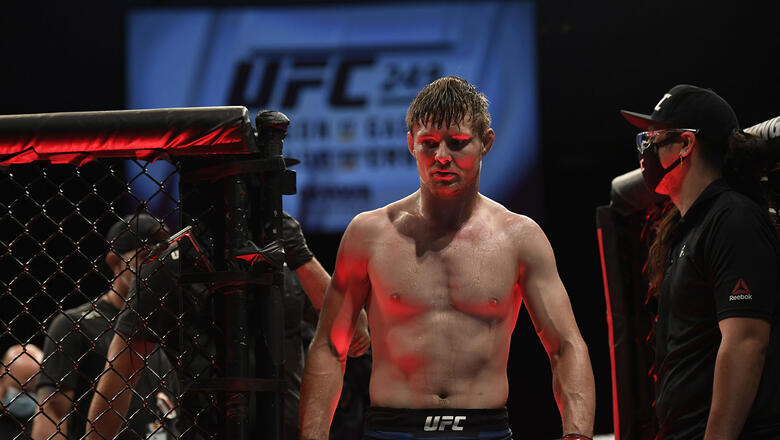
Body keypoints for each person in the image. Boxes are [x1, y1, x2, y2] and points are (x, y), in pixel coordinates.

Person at [300, 76, 595, 440]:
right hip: (393, 429)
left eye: (456, 143)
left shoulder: (520, 237)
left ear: (486, 143)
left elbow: (566, 347)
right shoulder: (369, 233)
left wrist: (577, 436)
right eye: (428, 144)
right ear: (410, 144)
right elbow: (330, 346)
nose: (441, 157)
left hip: (484, 430)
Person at [84, 211, 370, 439]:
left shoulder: (281, 256)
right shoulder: (170, 265)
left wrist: (302, 257)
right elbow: (119, 375)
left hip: (288, 430)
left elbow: (355, 334)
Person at [621, 84, 780, 438]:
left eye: (653, 138)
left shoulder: (733, 220)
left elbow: (746, 343)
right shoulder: (689, 228)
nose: (644, 150)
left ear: (686, 144)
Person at [31, 214, 179, 440]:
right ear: (114, 262)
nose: (154, 269)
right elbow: (52, 412)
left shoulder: (164, 325)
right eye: (144, 258)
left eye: (160, 260)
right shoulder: (74, 324)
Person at [0, 344, 43, 437]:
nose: (24, 395)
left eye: (30, 390)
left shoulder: (45, 423)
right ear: (3, 377)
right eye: (19, 389)